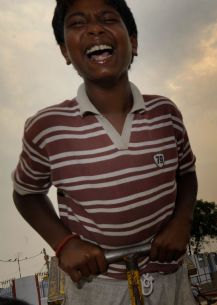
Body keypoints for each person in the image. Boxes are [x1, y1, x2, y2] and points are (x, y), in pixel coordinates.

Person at [12, 0, 198, 304]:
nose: (95, 29)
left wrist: (182, 221)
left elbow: (187, 175)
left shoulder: (165, 113)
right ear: (64, 51)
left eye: (108, 19)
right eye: (77, 23)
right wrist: (64, 244)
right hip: (97, 288)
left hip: (169, 278)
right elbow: (26, 194)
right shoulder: (48, 127)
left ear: (133, 42)